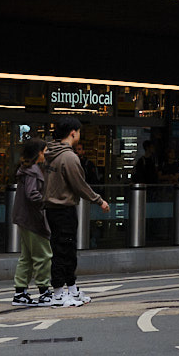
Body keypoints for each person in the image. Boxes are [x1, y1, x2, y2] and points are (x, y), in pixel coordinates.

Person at [42, 121, 107, 307]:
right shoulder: (69, 158)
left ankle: (71, 288)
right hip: (64, 209)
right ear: (72, 133)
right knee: (64, 251)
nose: (79, 134)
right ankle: (58, 293)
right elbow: (80, 185)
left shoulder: (49, 153)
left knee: (65, 249)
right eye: (78, 131)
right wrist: (99, 200)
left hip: (52, 209)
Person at [9, 139, 53, 308]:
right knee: (43, 255)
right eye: (45, 150)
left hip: (24, 218)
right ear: (39, 153)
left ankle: (20, 293)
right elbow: (32, 193)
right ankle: (44, 291)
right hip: (32, 218)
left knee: (26, 257)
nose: (47, 153)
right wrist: (45, 202)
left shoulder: (26, 170)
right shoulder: (33, 171)